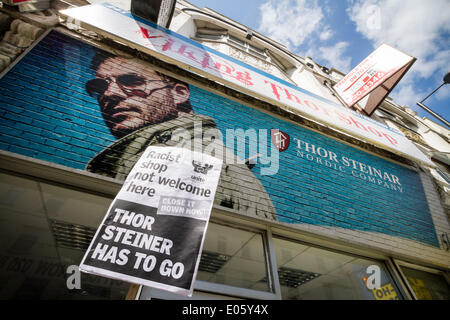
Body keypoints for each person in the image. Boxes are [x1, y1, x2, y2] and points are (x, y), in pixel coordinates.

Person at [85, 52, 276, 221]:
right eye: (100, 87)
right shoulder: (155, 156)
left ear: (179, 93)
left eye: (131, 81)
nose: (109, 94)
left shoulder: (201, 158)